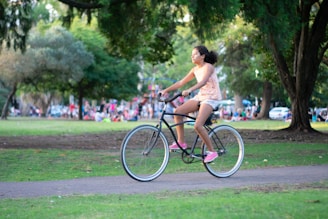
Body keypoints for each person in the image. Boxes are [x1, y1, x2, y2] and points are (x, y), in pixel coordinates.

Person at [159, 45, 222, 163]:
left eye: (195, 54)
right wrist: (166, 90)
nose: (192, 56)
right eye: (191, 55)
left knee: (198, 125)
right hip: (201, 97)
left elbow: (203, 82)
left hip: (211, 98)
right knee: (177, 112)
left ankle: (212, 151)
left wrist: (190, 90)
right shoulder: (195, 69)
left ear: (203, 56)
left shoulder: (208, 67)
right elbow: (181, 82)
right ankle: (181, 142)